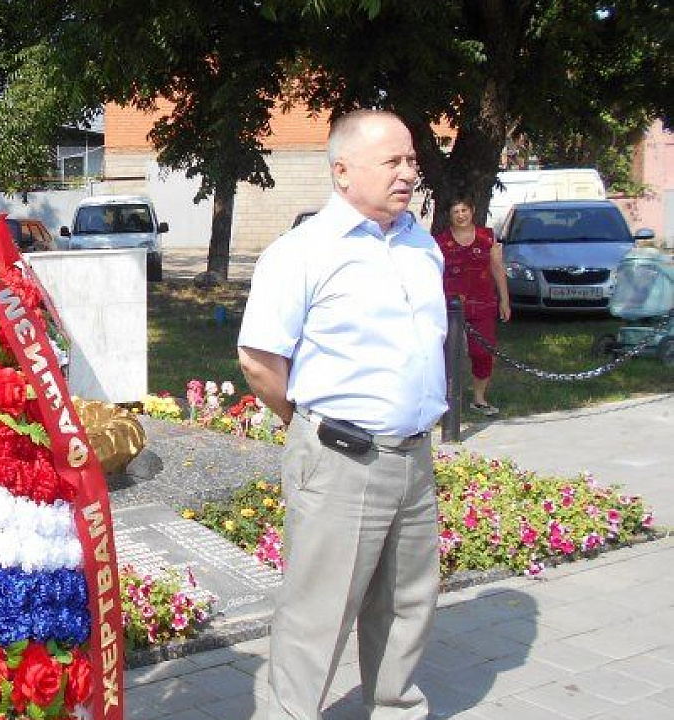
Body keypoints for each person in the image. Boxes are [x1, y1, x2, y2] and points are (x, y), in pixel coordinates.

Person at [237, 109, 446, 720]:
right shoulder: (302, 251)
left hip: (412, 455)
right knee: (317, 613)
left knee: (410, 602)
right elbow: (258, 359)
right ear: (343, 172)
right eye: (393, 162)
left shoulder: (421, 244)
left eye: (411, 160)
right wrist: (309, 427)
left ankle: (397, 706)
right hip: (339, 458)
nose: (409, 172)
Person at [434, 196, 511, 416]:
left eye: (464, 210)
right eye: (456, 211)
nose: (461, 215)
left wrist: (505, 300)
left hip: (483, 303)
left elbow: (497, 268)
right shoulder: (440, 241)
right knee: (445, 354)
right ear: (450, 215)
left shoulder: (487, 237)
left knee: (483, 353)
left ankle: (479, 398)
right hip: (450, 306)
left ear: (472, 211)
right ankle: (444, 399)